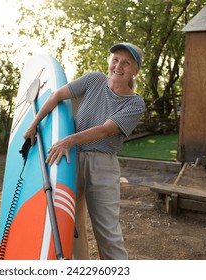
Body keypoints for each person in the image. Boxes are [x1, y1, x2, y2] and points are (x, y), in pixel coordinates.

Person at [23, 42, 145, 260]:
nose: (118, 66)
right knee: (70, 225)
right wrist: (34, 123)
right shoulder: (93, 80)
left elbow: (106, 130)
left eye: (126, 63)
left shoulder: (135, 103)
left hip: (102, 165)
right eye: (115, 59)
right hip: (71, 159)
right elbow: (57, 96)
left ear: (135, 71)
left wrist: (68, 140)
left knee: (107, 231)